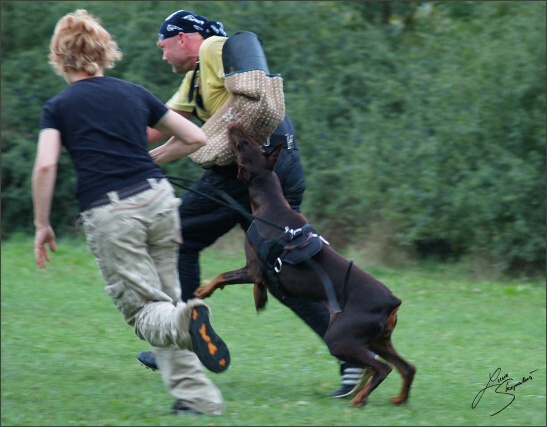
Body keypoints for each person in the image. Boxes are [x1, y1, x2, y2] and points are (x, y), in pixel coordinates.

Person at [136, 9, 368, 398]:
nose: (163, 57)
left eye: (163, 47)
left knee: (179, 235)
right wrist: (138, 154)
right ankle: (354, 358)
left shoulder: (213, 48)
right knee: (279, 274)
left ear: (183, 38)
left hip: (248, 172)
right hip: (277, 168)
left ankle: (184, 343)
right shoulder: (194, 81)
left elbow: (249, 85)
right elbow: (171, 128)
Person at [32, 9, 231, 416]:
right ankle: (199, 400)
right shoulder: (133, 92)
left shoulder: (59, 106)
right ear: (104, 53)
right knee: (167, 299)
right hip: (159, 201)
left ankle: (184, 322)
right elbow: (194, 136)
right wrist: (152, 161)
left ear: (59, 57)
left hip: (111, 212)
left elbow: (46, 165)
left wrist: (41, 223)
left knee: (146, 312)